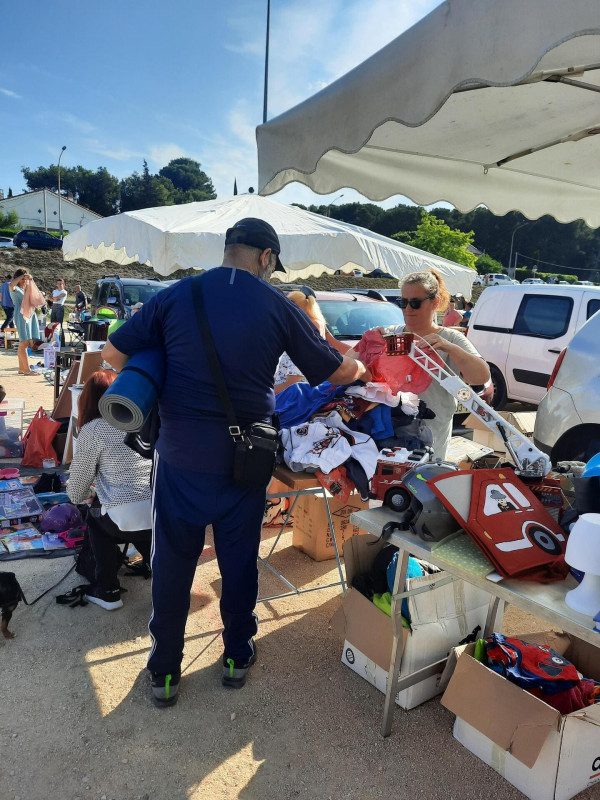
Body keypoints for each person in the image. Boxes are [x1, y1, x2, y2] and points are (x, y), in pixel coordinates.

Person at [102, 217, 371, 707]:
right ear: (266, 257)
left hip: (180, 459)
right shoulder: (276, 304)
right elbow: (334, 372)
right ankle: (235, 657)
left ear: (228, 248)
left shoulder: (175, 295)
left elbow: (114, 354)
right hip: (246, 461)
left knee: (172, 565)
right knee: (239, 562)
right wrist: (362, 365)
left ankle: (164, 672)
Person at [66, 370, 153, 611]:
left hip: (125, 516)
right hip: (159, 510)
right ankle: (158, 571)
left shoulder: (93, 429)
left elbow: (76, 492)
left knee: (96, 518)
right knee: (139, 523)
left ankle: (108, 590)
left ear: (87, 399)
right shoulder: (144, 420)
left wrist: (90, 495)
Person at [385, 269, 489, 460]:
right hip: (387, 440)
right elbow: (351, 364)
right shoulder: (390, 334)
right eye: (403, 302)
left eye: (415, 303)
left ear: (435, 302)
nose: (408, 309)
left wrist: (449, 348)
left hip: (430, 443)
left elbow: (481, 376)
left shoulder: (450, 338)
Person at [274, 288, 350, 393]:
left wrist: (264, 392)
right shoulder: (317, 325)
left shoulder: (299, 349)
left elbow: (293, 386)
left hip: (287, 400)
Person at [9, 268, 41, 375]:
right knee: (24, 342)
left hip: (29, 315)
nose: (24, 280)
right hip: (21, 315)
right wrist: (21, 277)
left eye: (25, 278)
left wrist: (30, 280)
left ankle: (22, 369)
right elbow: (11, 285)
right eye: (22, 278)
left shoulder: (25, 289)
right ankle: (27, 370)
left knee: (25, 343)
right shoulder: (15, 288)